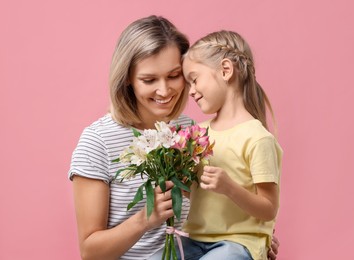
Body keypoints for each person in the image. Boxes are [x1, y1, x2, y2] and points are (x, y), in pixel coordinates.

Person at [69, 15, 280, 260]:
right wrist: (144, 219)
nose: (164, 90)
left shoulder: (187, 132)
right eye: (149, 80)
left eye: (173, 76)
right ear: (127, 78)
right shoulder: (97, 142)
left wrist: (250, 239)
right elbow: (89, 252)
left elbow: (217, 202)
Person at [164, 30, 282, 260]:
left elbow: (268, 208)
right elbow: (194, 192)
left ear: (225, 70)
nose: (192, 92)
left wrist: (229, 187)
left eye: (195, 80)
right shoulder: (198, 133)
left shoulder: (257, 138)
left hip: (237, 243)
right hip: (194, 240)